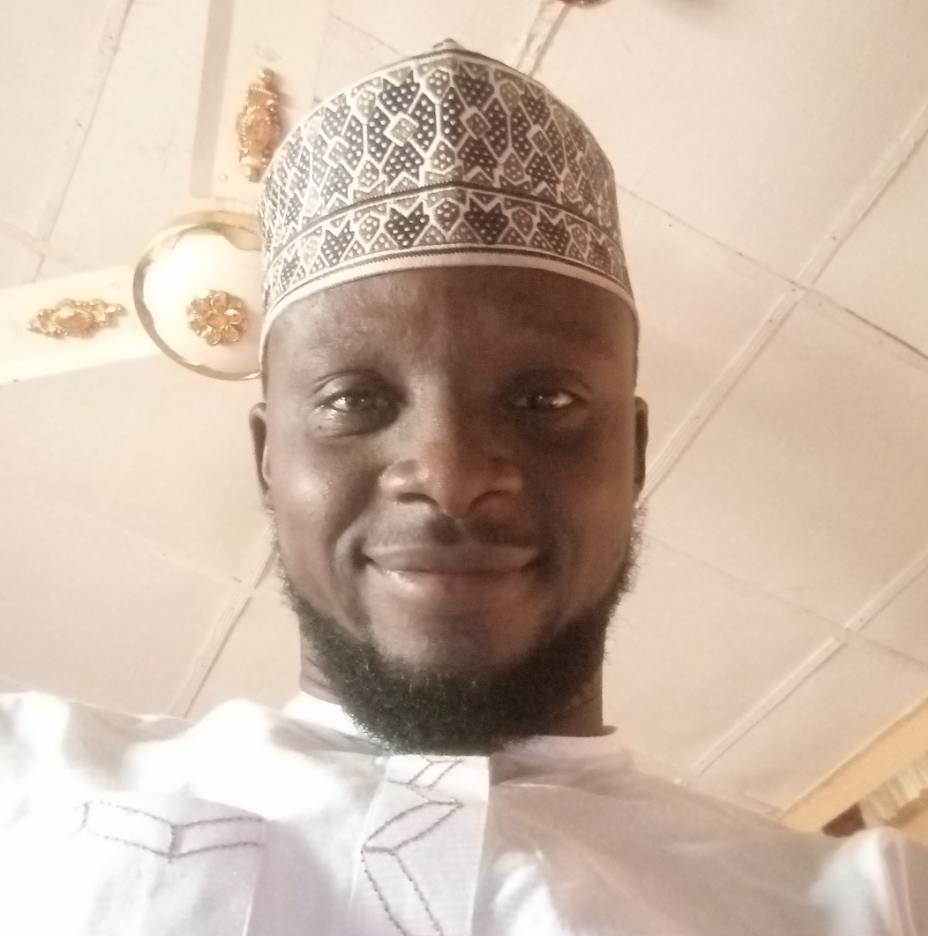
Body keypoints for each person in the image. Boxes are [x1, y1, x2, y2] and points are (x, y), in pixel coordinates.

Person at [1, 43, 926, 936]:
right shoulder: (29, 778)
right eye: (354, 401)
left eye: (545, 401)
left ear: (635, 454)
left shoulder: (868, 903)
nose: (448, 477)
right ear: (268, 461)